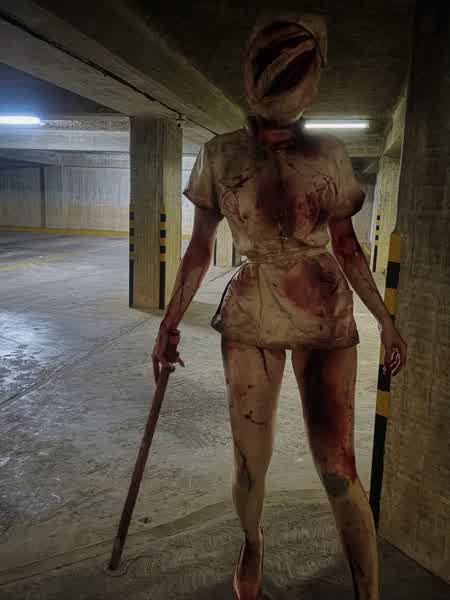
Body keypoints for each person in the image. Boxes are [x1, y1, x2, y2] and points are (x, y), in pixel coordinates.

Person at [152, 12, 407, 600]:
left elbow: (347, 247)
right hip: (252, 313)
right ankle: (253, 540)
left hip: (324, 311)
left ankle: (368, 591)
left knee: (338, 470)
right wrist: (168, 323)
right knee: (249, 465)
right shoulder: (220, 154)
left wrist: (386, 322)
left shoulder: (330, 153)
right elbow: (199, 248)